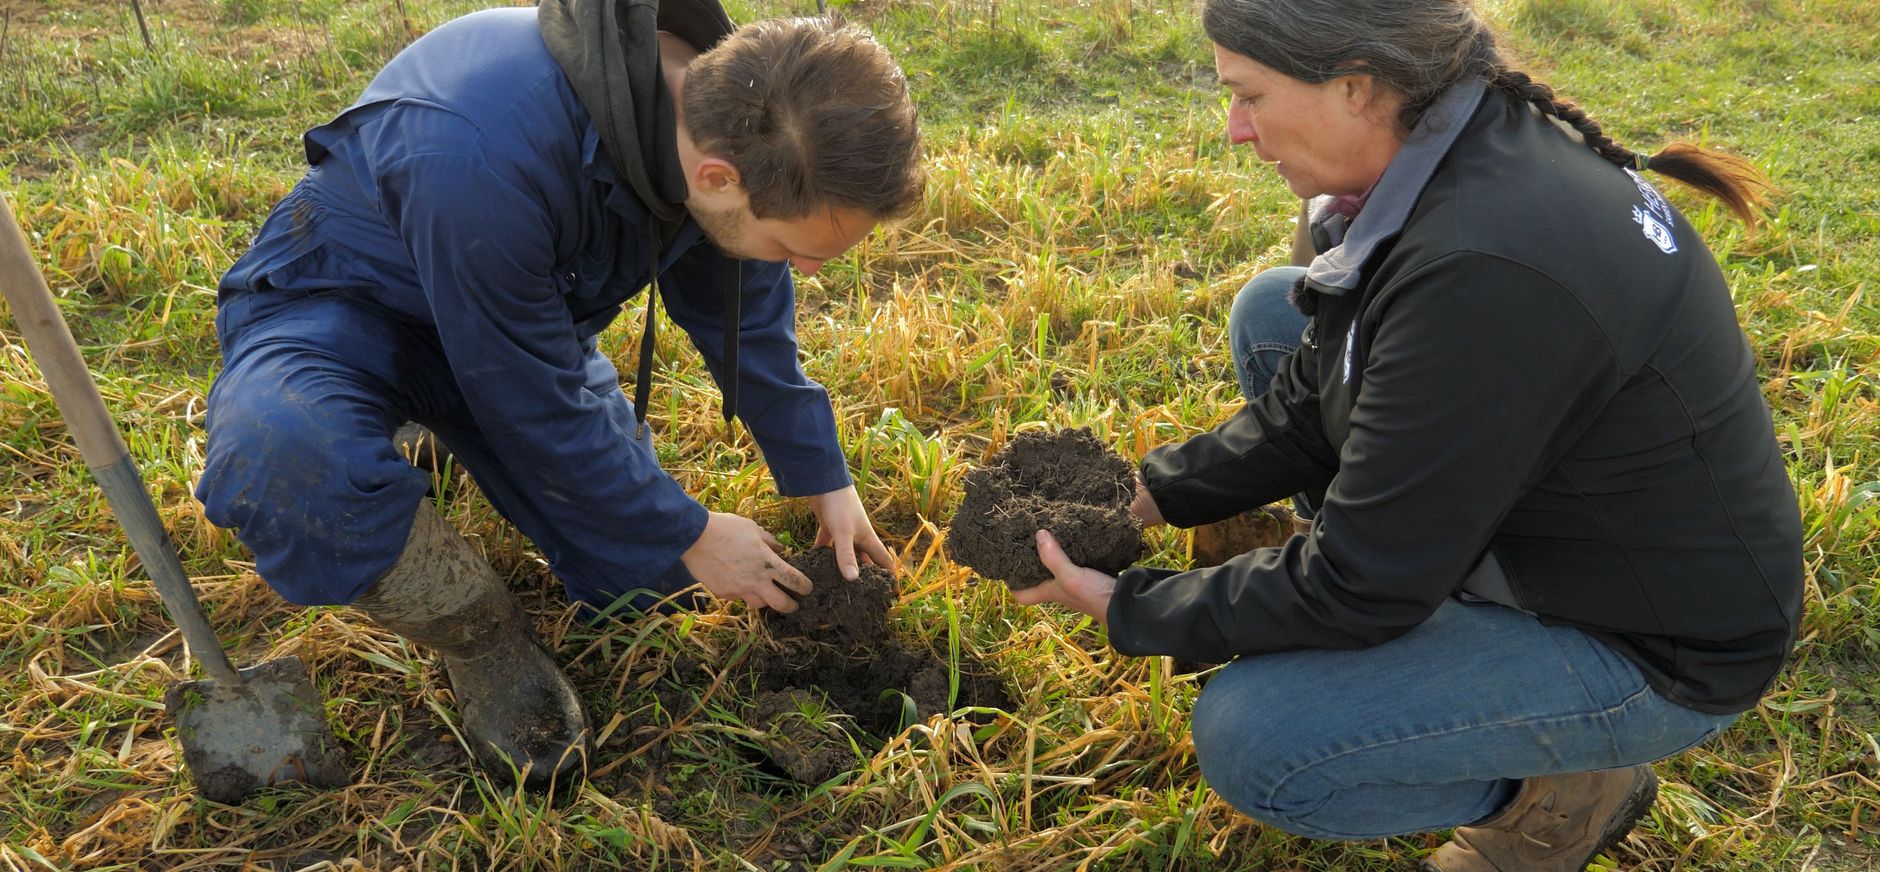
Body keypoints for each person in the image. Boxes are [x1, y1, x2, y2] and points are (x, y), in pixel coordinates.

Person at [1011, 1, 1802, 869]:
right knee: (1279, 312)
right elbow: (1312, 400)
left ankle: (1565, 791)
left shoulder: (1482, 273)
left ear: (1356, 87)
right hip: (1540, 504)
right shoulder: (1459, 152)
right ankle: (1402, 572)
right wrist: (1149, 495)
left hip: (1650, 640)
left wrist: (1131, 606)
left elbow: (1361, 586)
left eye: (1249, 95)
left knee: (1261, 738)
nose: (1236, 130)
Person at [194, 0, 923, 790]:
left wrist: (826, 478)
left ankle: (439, 441)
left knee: (645, 583)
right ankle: (481, 642)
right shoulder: (480, 148)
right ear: (716, 178)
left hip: (523, 332)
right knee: (289, 458)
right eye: (791, 248)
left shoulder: (729, 121)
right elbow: (529, 398)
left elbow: (742, 317)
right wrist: (690, 526)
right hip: (346, 311)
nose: (805, 271)